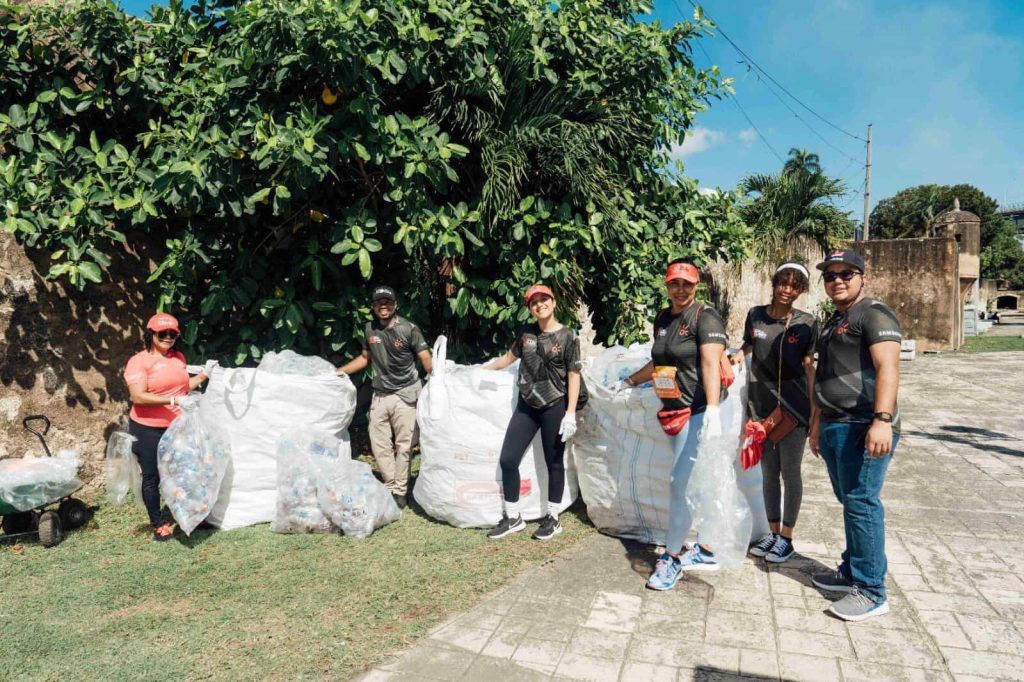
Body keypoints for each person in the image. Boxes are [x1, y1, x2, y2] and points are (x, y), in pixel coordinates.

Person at [617, 260, 729, 589]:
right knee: (691, 482)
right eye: (674, 284)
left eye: (687, 284)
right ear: (666, 286)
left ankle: (672, 557)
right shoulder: (664, 318)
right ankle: (706, 548)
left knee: (679, 484)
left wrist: (711, 409)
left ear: (696, 286)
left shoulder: (705, 317)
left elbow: (710, 362)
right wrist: (630, 381)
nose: (680, 290)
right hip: (672, 411)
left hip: (696, 411)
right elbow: (660, 360)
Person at [809, 249, 902, 622]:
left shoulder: (874, 314)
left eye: (846, 273)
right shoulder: (836, 320)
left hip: (864, 425)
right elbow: (824, 372)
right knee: (849, 501)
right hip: (834, 423)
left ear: (862, 276)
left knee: (863, 503)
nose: (837, 280)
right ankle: (852, 571)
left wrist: (882, 419)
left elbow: (888, 367)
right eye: (830, 275)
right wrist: (817, 421)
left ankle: (872, 590)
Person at [730, 262, 818, 563]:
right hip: (761, 406)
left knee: (790, 472)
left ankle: (787, 538)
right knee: (768, 473)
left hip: (794, 409)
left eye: (795, 285)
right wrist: (740, 352)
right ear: (775, 282)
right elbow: (749, 344)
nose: (787, 290)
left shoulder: (807, 323)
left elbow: (809, 368)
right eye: (783, 282)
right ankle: (772, 533)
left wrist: (814, 412)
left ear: (801, 291)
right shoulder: (755, 315)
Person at [483, 284, 582, 541]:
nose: (540, 305)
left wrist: (570, 413)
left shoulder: (568, 336)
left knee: (554, 462)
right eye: (534, 302)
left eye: (544, 299)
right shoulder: (526, 334)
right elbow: (508, 358)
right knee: (508, 460)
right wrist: (481, 372)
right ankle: (513, 517)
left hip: (554, 405)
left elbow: (574, 374)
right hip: (527, 406)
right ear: (530, 308)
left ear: (553, 302)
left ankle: (553, 517)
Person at [338, 285, 432, 509]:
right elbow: (364, 358)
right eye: (379, 302)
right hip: (380, 394)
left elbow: (425, 359)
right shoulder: (370, 329)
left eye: (388, 302)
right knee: (379, 444)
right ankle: (391, 485)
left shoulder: (409, 328)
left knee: (405, 445)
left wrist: (437, 379)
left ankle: (400, 491)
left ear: (395, 305)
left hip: (406, 394)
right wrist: (339, 371)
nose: (384, 305)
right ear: (373, 307)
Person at [123, 313, 209, 541]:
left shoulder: (178, 358)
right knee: (152, 476)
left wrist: (203, 375)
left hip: (177, 425)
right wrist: (173, 401)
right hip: (147, 428)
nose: (168, 337)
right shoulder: (138, 361)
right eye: (163, 334)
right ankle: (158, 522)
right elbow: (138, 396)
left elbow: (181, 389)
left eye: (173, 334)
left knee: (184, 471)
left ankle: (188, 515)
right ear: (151, 335)